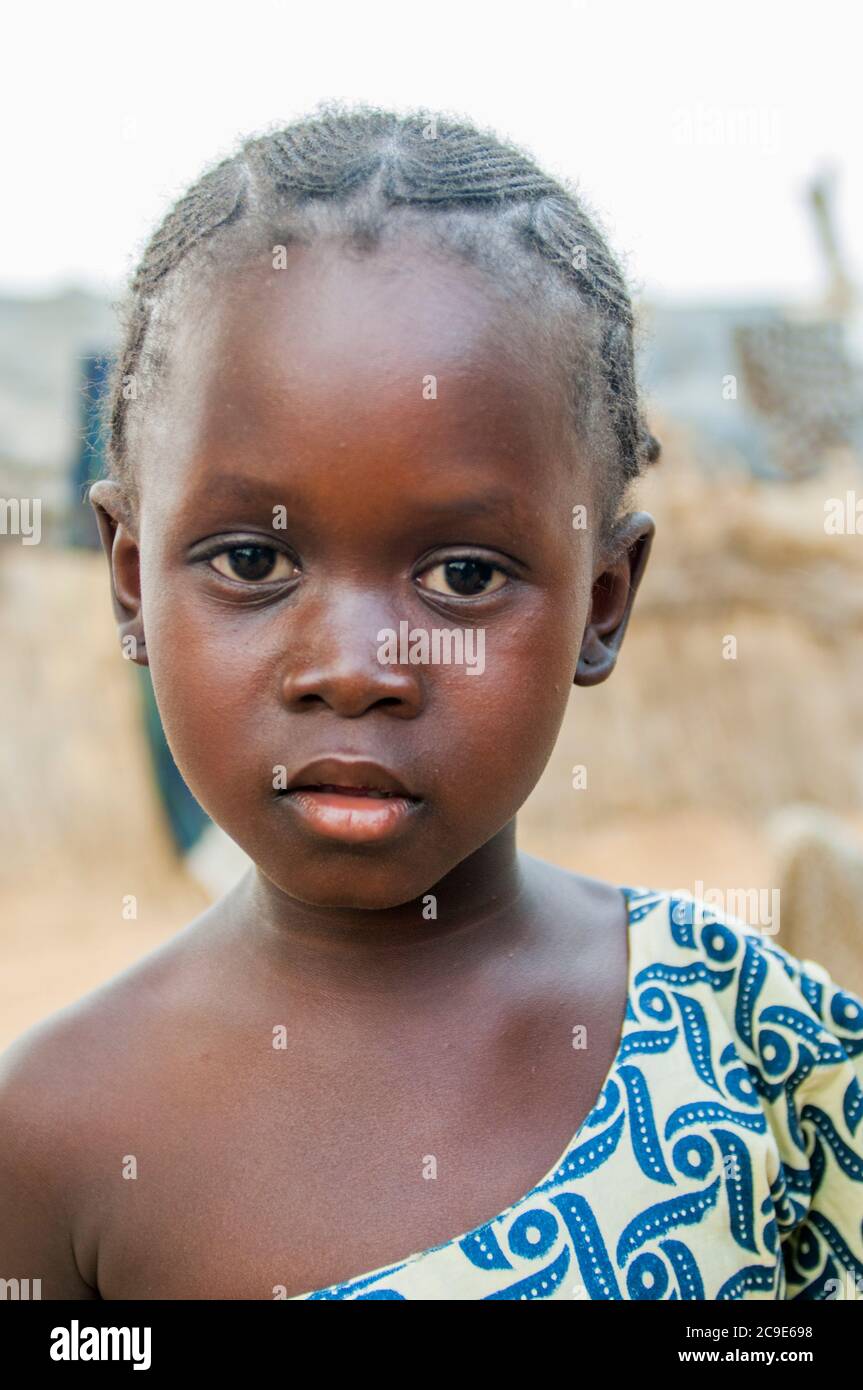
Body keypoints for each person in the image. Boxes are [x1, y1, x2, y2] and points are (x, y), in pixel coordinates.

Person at [1, 104, 861, 1302]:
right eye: (252, 559)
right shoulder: (52, 1136)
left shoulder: (757, 1044)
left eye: (462, 575)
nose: (354, 666)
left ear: (602, 603)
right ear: (132, 582)